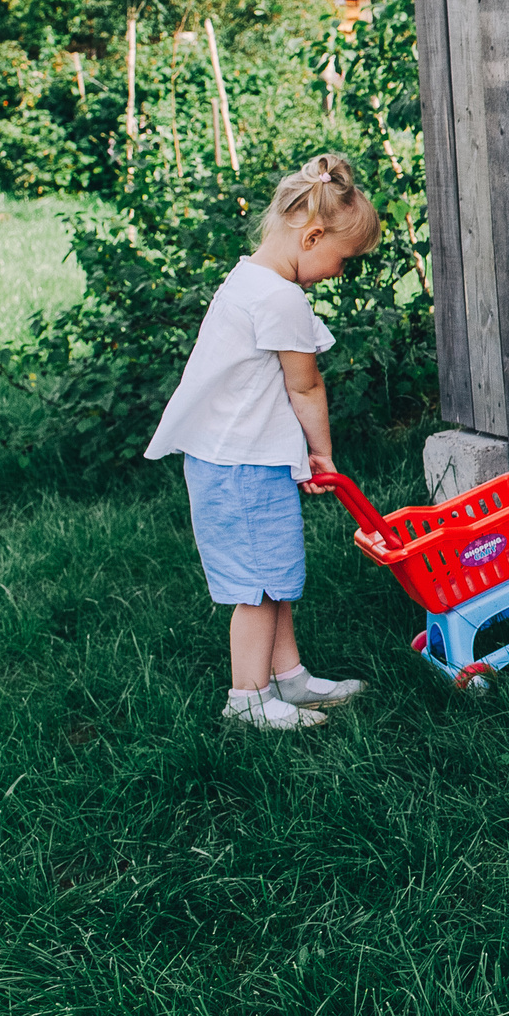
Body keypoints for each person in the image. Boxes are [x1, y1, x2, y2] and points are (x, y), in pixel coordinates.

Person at [145, 153, 382, 731]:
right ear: (313, 235)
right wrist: (321, 452)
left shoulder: (250, 279)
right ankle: (247, 700)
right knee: (256, 587)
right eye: (343, 260)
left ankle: (289, 679)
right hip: (238, 466)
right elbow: (305, 386)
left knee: (274, 573)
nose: (339, 271)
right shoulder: (280, 298)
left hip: (243, 458)